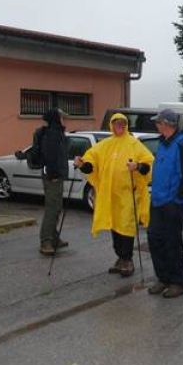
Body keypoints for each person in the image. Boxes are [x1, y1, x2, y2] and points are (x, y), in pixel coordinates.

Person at [73, 113, 154, 278]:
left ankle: (127, 259)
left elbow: (148, 163)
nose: (120, 126)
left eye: (123, 124)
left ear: (126, 126)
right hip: (110, 195)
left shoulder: (134, 144)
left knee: (126, 226)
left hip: (127, 195)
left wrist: (137, 166)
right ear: (112, 125)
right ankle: (120, 258)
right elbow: (91, 162)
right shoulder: (105, 145)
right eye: (117, 124)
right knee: (115, 227)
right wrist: (82, 164)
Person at [144, 109, 183, 298]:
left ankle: (178, 282)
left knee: (172, 242)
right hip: (157, 200)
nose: (156, 125)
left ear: (166, 124)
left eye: (158, 122)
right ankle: (163, 278)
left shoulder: (182, 145)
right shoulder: (163, 143)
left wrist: (178, 200)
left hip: (173, 203)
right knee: (154, 239)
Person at [23, 108, 70, 256]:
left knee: (56, 207)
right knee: (52, 208)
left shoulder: (56, 132)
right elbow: (50, 157)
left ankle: (54, 237)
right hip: (52, 176)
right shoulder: (52, 134)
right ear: (56, 118)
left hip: (55, 175)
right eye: (62, 117)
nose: (64, 120)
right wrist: (54, 174)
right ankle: (46, 241)